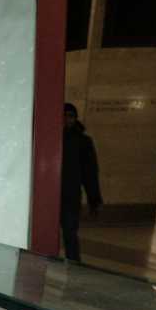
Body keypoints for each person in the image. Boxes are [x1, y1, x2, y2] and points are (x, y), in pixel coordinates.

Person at [61, 103, 103, 262]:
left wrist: (94, 200)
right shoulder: (49, 138)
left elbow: (90, 173)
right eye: (63, 115)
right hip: (50, 196)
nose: (66, 119)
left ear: (75, 118)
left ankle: (74, 267)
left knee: (70, 234)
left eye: (70, 116)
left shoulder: (83, 141)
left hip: (70, 196)